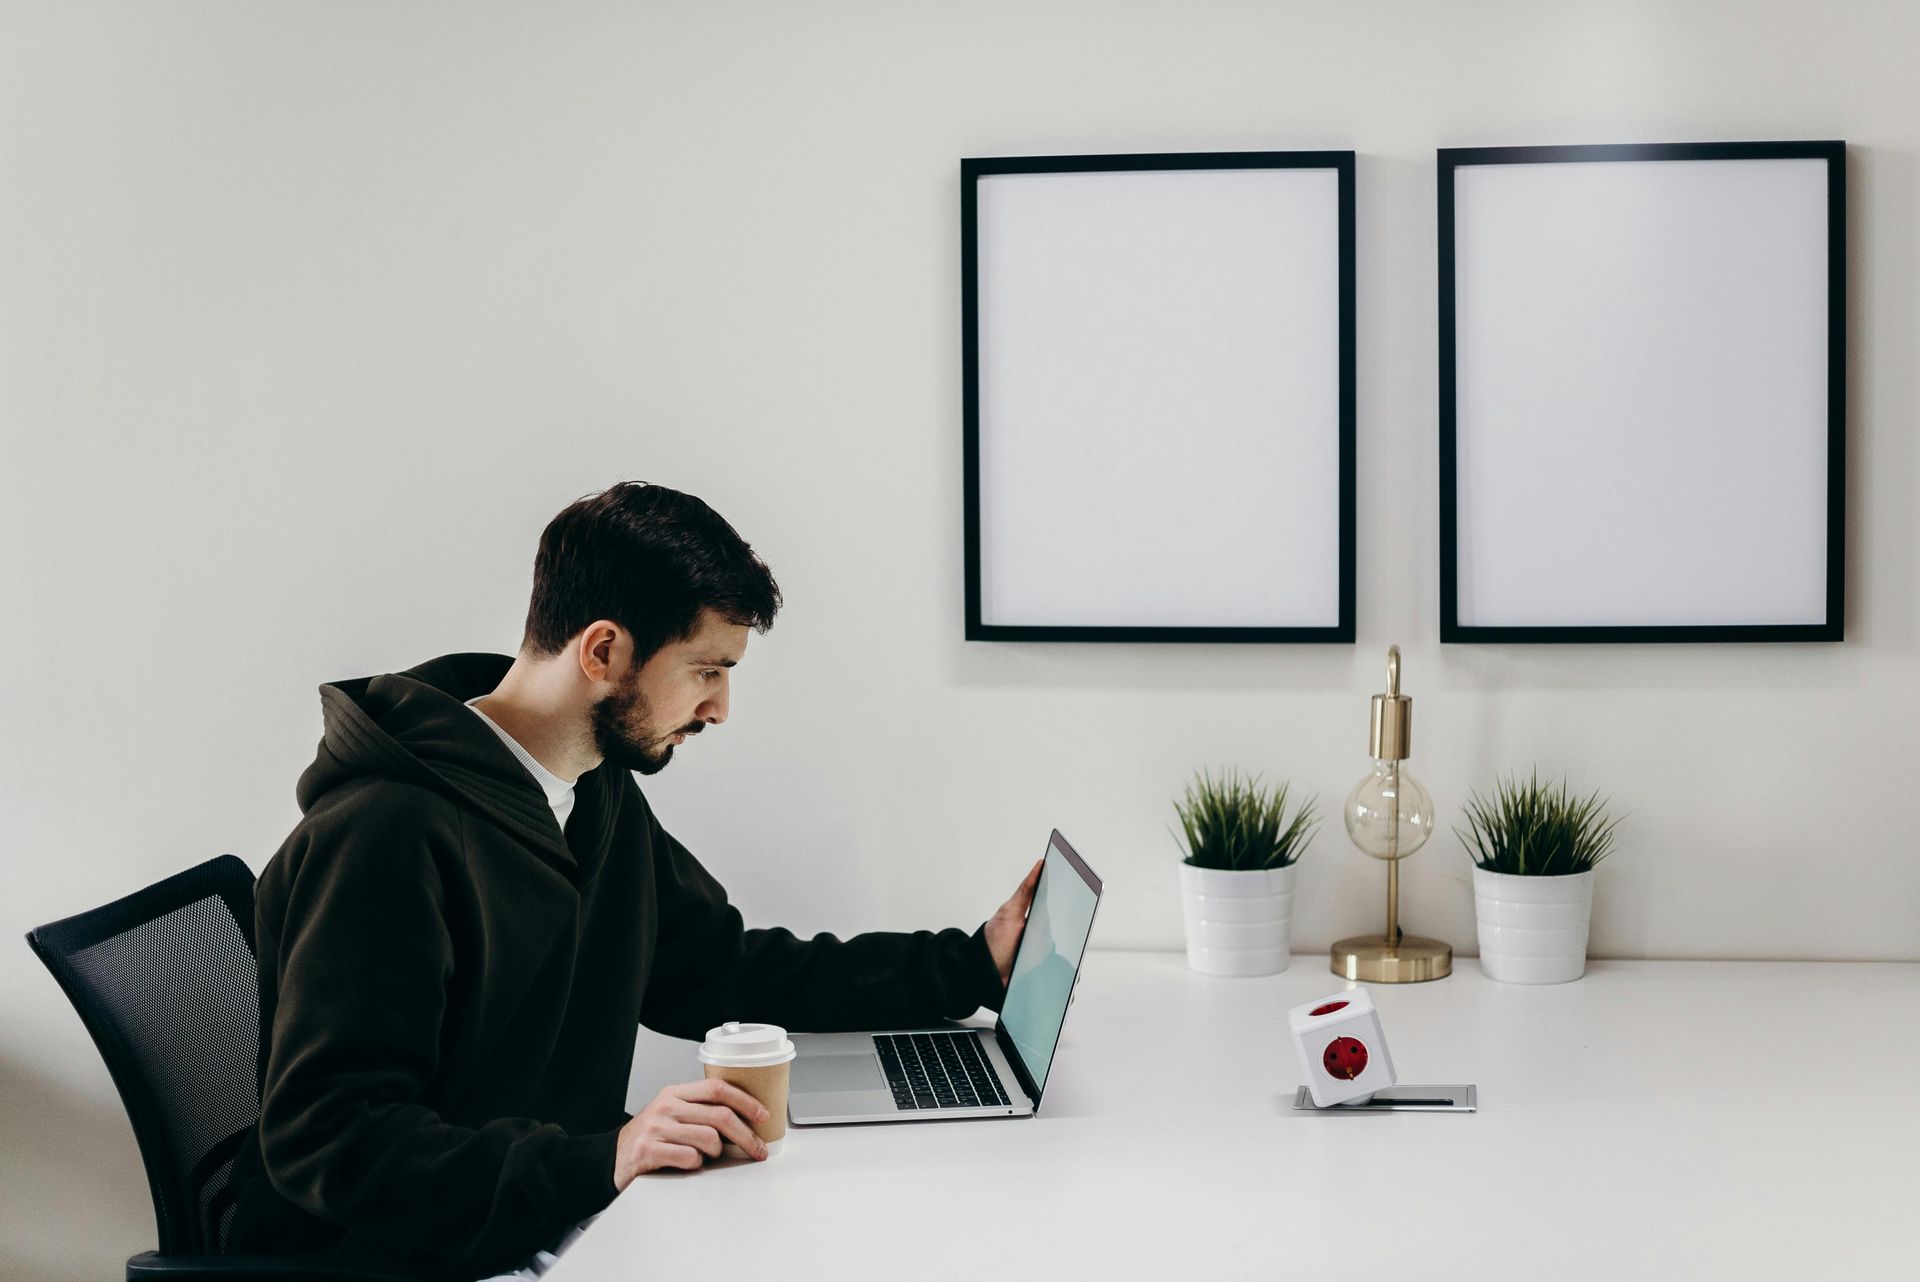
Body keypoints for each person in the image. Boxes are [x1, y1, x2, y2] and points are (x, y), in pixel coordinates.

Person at [225, 482, 1041, 1281]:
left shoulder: (592, 790)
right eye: (706, 671)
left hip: (546, 1216)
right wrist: (602, 1159)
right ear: (605, 651)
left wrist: (968, 966)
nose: (720, 707)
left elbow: (715, 968)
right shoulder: (384, 834)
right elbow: (328, 1137)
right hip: (417, 1258)